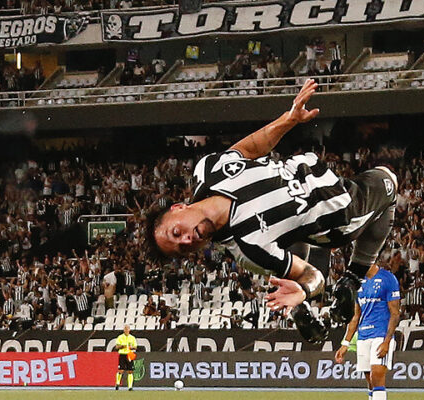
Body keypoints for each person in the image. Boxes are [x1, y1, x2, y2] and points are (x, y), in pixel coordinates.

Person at [143, 79, 399, 343]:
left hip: (306, 173)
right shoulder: (248, 247)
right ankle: (353, 277)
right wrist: (304, 290)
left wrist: (289, 119)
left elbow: (249, 148)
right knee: (388, 178)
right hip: (336, 210)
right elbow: (312, 275)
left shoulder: (208, 170)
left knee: (285, 240)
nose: (187, 240)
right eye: (184, 248)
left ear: (178, 208)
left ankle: (310, 297)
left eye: (176, 232)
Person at [334, 262, 401, 400]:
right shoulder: (358, 283)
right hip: (363, 336)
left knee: (377, 375)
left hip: (380, 334)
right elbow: (356, 315)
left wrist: (387, 341)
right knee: (370, 381)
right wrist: (346, 343)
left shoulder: (387, 279)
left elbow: (395, 313)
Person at [114, 325, 137, 391]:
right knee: (121, 370)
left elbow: (135, 347)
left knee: (130, 371)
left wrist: (130, 347)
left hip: (129, 355)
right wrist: (122, 346)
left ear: (129, 330)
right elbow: (116, 347)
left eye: (127, 329)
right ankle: (117, 383)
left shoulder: (132, 338)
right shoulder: (120, 337)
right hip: (122, 354)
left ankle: (130, 387)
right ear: (123, 330)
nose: (126, 330)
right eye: (125, 329)